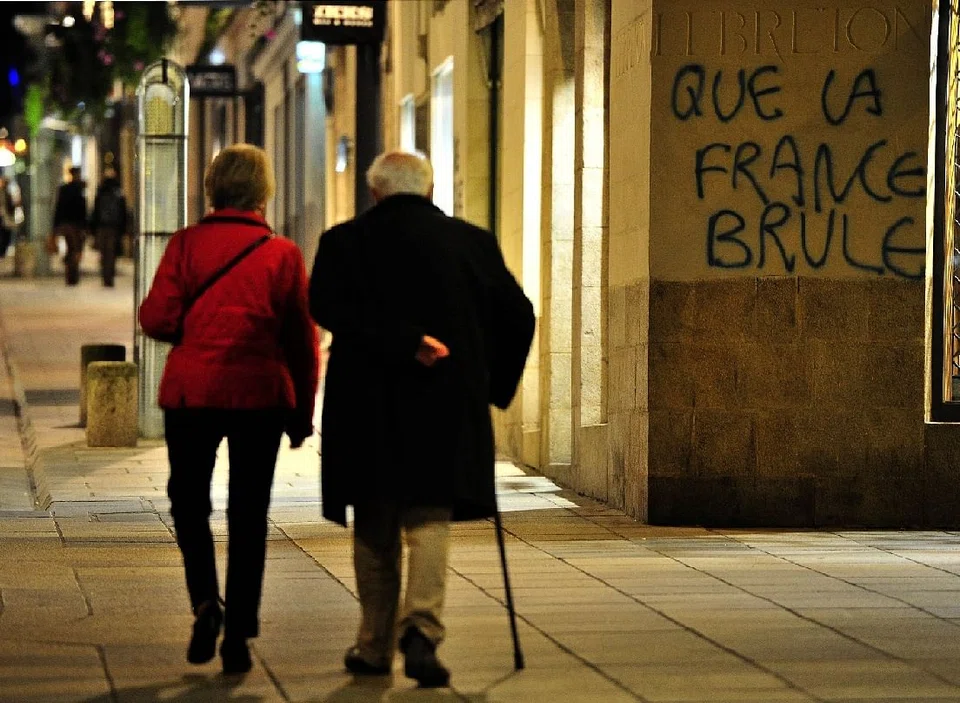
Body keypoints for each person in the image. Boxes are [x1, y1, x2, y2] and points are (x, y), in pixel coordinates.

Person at [309, 151, 535, 688]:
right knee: (430, 515)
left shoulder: (343, 243)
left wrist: (398, 340)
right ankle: (421, 630)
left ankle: (373, 644)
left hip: (365, 407)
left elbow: (326, 309)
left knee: (375, 520)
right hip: (445, 404)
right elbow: (518, 314)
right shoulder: (470, 242)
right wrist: (493, 385)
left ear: (375, 193)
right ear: (429, 190)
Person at [139, 144, 319, 675]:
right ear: (264, 191)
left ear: (213, 188)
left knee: (188, 502)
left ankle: (204, 603)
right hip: (259, 396)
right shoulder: (282, 253)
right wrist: (302, 415)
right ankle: (239, 632)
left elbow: (155, 319)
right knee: (249, 511)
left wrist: (195, 327)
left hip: (192, 394)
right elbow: (301, 341)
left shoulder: (185, 245)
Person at [89, 167, 128, 287]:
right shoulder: (119, 192)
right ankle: (109, 276)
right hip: (113, 228)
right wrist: (123, 229)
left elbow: (95, 212)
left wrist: (93, 230)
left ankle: (105, 276)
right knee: (111, 253)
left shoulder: (100, 192)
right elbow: (123, 212)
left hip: (102, 227)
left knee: (104, 252)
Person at [53, 166, 88, 285]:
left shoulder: (65, 189)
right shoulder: (79, 190)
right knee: (75, 249)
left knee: (71, 249)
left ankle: (71, 274)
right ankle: (73, 274)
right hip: (75, 225)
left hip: (67, 224)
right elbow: (83, 210)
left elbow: (58, 208)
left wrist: (56, 226)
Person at [0, 176, 16, 258]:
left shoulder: (7, 193)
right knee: (3, 235)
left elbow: (11, 206)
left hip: (6, 218)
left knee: (6, 235)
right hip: (2, 217)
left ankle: (3, 252)